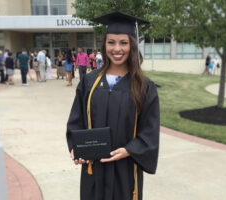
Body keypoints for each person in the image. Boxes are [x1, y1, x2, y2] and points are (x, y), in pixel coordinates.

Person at [66, 11, 159, 200]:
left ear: (131, 45)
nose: (117, 49)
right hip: (94, 170)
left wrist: (129, 150)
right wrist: (76, 149)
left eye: (123, 43)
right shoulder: (89, 82)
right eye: (111, 42)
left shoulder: (143, 86)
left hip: (125, 171)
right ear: (104, 44)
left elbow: (150, 131)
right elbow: (76, 121)